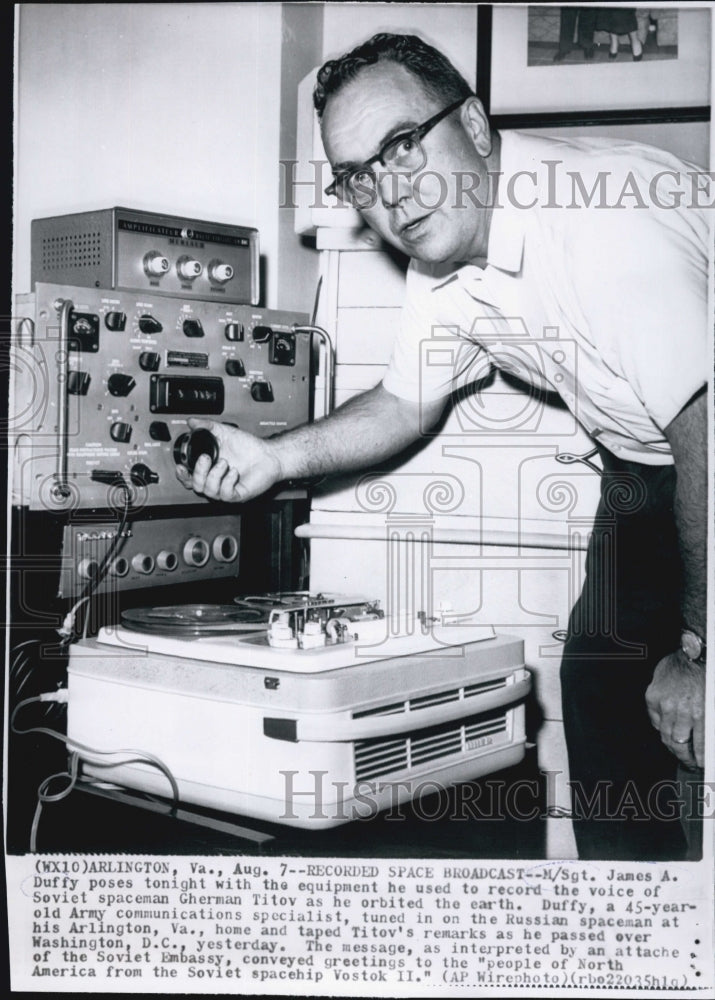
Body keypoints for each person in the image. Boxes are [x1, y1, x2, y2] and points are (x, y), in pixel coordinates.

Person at [177, 33, 708, 860]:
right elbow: (402, 401)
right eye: (358, 174)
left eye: (400, 145)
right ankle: (637, 935)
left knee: (689, 697)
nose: (388, 192)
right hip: (646, 459)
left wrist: (699, 652)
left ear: (476, 126)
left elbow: (706, 430)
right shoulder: (447, 256)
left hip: (701, 445)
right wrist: (275, 457)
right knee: (603, 687)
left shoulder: (604, 233)